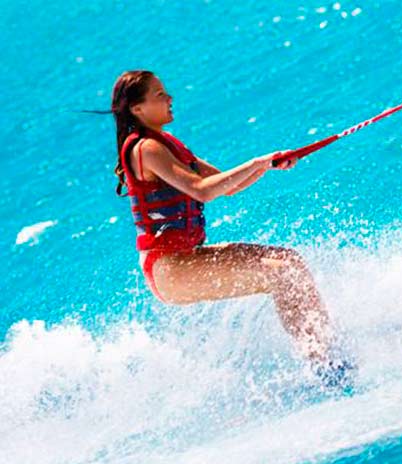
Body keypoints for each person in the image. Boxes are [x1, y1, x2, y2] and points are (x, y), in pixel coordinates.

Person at [110, 70, 352, 390]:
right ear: (137, 109)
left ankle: (331, 357)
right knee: (283, 274)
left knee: (289, 261)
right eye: (159, 94)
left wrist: (269, 163)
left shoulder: (165, 144)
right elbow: (202, 190)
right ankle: (327, 368)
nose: (169, 98)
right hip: (170, 270)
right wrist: (256, 163)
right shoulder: (145, 149)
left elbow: (228, 186)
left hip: (184, 259)